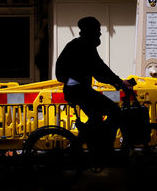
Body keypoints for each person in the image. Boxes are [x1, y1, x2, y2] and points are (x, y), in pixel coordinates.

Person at [55, 16, 132, 153]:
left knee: (96, 118)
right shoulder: (83, 46)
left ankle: (89, 145)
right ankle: (103, 149)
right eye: (98, 30)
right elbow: (99, 70)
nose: (100, 33)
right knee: (114, 111)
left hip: (79, 90)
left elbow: (100, 69)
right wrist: (118, 82)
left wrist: (117, 82)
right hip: (79, 91)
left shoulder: (81, 45)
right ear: (90, 31)